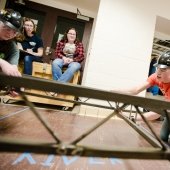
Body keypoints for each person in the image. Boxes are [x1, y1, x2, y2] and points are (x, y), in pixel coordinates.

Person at [112, 51, 170, 143]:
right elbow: (136, 90)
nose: (158, 72)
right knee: (163, 136)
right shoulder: (156, 77)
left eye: (162, 70)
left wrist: (132, 117)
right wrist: (114, 91)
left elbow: (158, 113)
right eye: (157, 68)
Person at [0, 9, 22, 77]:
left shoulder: (13, 48)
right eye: (7, 28)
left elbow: (13, 68)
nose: (10, 34)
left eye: (14, 32)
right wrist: (2, 63)